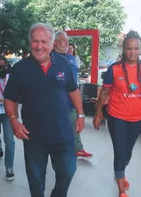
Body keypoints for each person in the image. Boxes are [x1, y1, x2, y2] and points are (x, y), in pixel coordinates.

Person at [4, 22, 84, 197]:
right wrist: (13, 120)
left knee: (68, 172)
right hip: (34, 137)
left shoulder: (63, 64)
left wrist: (80, 114)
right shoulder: (20, 69)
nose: (39, 46)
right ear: (30, 43)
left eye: (44, 41)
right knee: (36, 179)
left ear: (52, 43)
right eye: (35, 41)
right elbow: (10, 98)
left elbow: (73, 90)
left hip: (63, 134)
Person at [93, 30, 141, 197]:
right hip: (116, 117)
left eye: (136, 48)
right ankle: (121, 190)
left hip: (137, 118)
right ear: (123, 49)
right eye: (129, 48)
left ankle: (120, 172)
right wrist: (98, 114)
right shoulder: (114, 69)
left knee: (128, 153)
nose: (133, 52)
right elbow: (104, 93)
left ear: (140, 49)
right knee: (120, 151)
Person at [53, 31, 92, 160]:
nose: (67, 42)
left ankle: (78, 149)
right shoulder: (50, 58)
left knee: (75, 124)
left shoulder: (71, 58)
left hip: (71, 101)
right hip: (56, 102)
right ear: (55, 42)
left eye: (67, 40)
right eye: (63, 40)